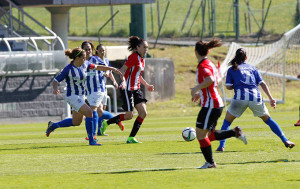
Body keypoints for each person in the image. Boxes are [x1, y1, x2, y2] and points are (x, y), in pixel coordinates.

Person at [216, 48, 295, 152]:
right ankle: (285, 140)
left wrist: (236, 85)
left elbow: (228, 86)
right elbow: (262, 83)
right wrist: (271, 98)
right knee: (268, 120)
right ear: (246, 58)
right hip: (255, 97)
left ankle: (222, 146)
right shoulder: (252, 68)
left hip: (240, 98)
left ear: (235, 56)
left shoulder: (232, 69)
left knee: (227, 122)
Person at [45, 47, 124, 146]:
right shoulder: (68, 69)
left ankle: (53, 125)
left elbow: (98, 67)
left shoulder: (85, 65)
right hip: (72, 96)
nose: (85, 59)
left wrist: (111, 68)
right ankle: (92, 140)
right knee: (89, 112)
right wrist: (55, 88)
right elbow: (55, 80)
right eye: (84, 57)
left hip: (81, 96)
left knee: (76, 122)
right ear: (77, 58)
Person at [190, 39, 248, 169]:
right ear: (208, 51)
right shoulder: (209, 63)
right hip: (213, 102)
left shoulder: (204, 65)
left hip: (211, 105)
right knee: (208, 135)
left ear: (195, 52)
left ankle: (210, 163)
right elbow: (213, 83)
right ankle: (234, 132)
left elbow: (210, 80)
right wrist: (201, 93)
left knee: (200, 134)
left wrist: (196, 88)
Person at [100, 36, 154, 144]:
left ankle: (131, 138)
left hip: (136, 89)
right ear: (137, 47)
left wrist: (147, 85)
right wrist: (123, 81)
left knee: (143, 113)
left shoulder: (142, 59)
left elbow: (138, 75)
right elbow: (122, 70)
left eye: (147, 47)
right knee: (129, 115)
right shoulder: (133, 57)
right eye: (144, 47)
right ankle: (106, 123)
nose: (146, 49)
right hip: (127, 88)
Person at [94, 44, 125, 136]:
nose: (102, 52)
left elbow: (109, 71)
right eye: (100, 50)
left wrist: (114, 81)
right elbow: (104, 70)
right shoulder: (95, 61)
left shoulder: (106, 61)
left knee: (103, 109)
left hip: (104, 87)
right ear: (97, 51)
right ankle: (117, 120)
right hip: (96, 88)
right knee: (100, 111)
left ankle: (100, 131)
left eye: (103, 50)